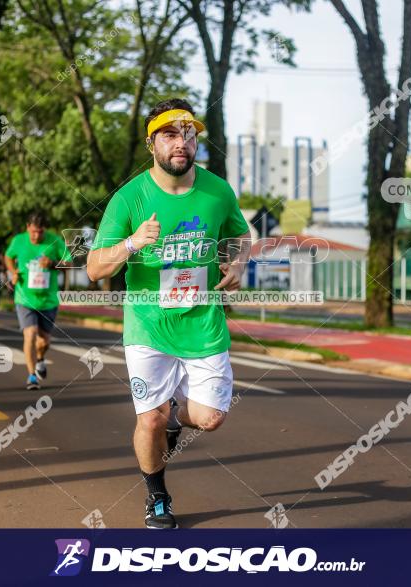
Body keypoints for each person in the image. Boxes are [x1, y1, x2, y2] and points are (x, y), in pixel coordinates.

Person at [87, 98, 251, 529]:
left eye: (189, 133)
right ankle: (157, 496)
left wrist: (236, 263)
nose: (182, 142)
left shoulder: (217, 191)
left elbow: (240, 235)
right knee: (150, 417)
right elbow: (94, 267)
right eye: (170, 134)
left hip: (203, 325)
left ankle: (174, 418)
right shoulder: (129, 198)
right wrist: (132, 244)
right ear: (152, 143)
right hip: (148, 327)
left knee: (211, 419)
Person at [4, 212, 72, 390]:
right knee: (30, 333)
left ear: (45, 230)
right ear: (28, 227)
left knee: (44, 342)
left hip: (48, 300)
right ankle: (31, 375)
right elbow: (8, 257)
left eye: (40, 232)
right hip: (24, 297)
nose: (36, 236)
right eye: (33, 232)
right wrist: (13, 271)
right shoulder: (19, 240)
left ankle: (40, 358)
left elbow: (69, 264)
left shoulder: (55, 241)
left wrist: (52, 263)